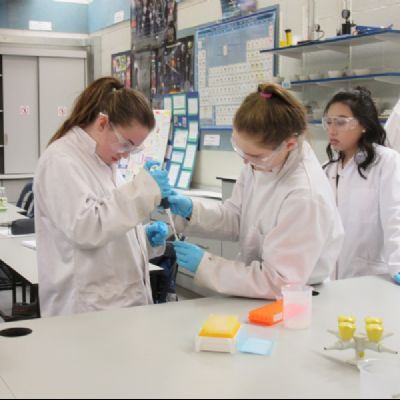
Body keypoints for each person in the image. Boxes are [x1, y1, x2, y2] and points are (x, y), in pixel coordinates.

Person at [167, 83, 344, 299]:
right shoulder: (262, 163)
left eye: (255, 156)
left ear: (289, 144)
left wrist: (207, 265)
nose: (246, 162)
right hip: (257, 291)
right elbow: (237, 217)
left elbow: (280, 282)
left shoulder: (305, 194)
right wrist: (192, 211)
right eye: (240, 150)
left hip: (295, 299)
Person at [34, 77, 171, 317]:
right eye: (126, 144)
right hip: (86, 309)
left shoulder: (105, 160)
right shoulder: (61, 161)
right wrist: (142, 192)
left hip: (119, 306)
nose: (126, 155)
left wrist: (143, 240)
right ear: (103, 123)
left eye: (134, 149)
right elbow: (87, 228)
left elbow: (112, 222)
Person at [323, 87, 400, 284]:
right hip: (330, 279)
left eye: (341, 122)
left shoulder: (386, 162)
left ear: (364, 124)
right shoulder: (327, 169)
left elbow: (395, 218)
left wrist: (398, 266)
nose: (332, 130)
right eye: (329, 122)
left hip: (372, 278)